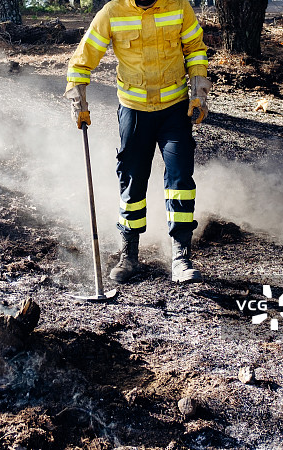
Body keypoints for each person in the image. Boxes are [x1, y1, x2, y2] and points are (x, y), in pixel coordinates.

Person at [64, 0, 210, 284]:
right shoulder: (112, 11)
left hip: (174, 110)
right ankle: (129, 254)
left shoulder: (179, 6)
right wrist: (77, 95)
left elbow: (195, 49)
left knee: (180, 179)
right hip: (134, 111)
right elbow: (82, 59)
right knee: (132, 179)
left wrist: (199, 88)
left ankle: (181, 257)